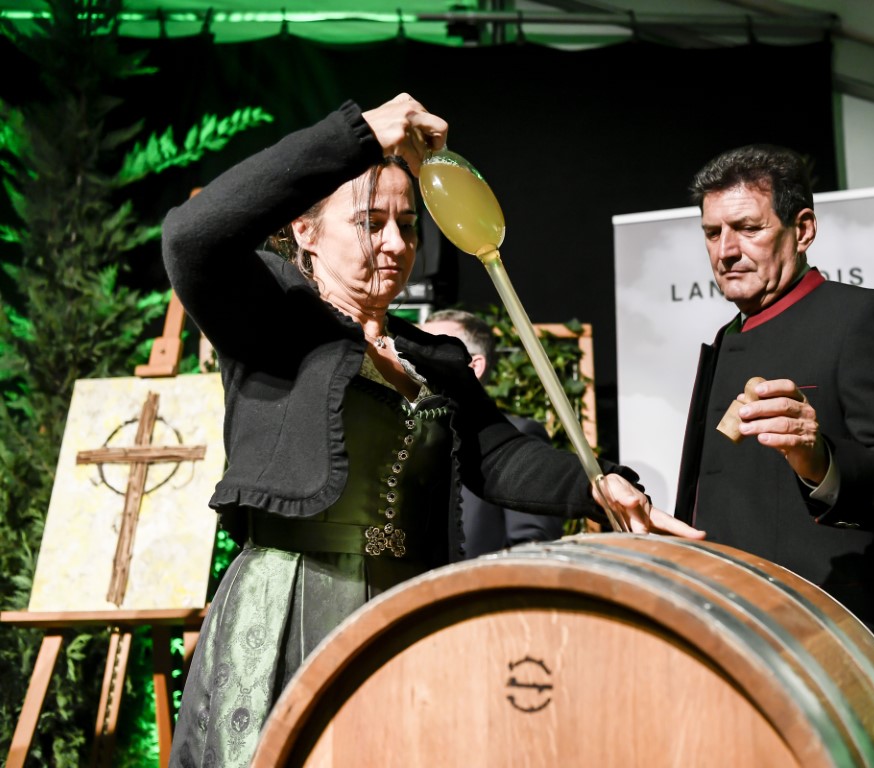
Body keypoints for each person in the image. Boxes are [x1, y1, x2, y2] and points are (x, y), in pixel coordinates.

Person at [161, 93, 702, 768]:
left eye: (408, 224)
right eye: (370, 222)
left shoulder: (430, 356)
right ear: (305, 231)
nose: (396, 244)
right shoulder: (269, 320)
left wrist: (599, 486)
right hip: (293, 607)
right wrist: (357, 135)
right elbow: (191, 237)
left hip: (407, 609)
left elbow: (499, 455)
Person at [671, 143, 874, 687]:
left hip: (825, 650)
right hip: (724, 643)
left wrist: (822, 462)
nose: (726, 250)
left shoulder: (863, 317)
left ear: (803, 229)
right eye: (712, 233)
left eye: (748, 228)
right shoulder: (725, 339)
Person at [420, 308, 566, 556]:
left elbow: (532, 547)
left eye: (430, 351)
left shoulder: (519, 436)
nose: (415, 362)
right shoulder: (413, 436)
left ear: (474, 366)